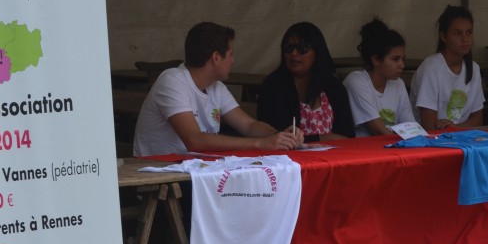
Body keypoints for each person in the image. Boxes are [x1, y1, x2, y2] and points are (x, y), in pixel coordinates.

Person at [133, 22, 302, 157]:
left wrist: (280, 136)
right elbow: (194, 141)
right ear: (216, 57)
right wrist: (260, 143)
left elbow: (249, 126)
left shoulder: (216, 86)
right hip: (161, 173)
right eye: (231, 54)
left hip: (195, 170)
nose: (233, 61)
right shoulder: (172, 81)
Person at [258, 22, 355, 142]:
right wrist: (324, 138)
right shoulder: (273, 86)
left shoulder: (333, 86)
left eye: (302, 48)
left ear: (317, 52)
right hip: (289, 153)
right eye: (288, 48)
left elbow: (347, 135)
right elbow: (279, 136)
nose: (293, 53)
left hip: (336, 152)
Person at [411, 5, 485, 131]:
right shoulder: (431, 69)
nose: (465, 39)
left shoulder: (474, 69)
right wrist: (454, 129)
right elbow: (429, 127)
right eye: (457, 33)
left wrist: (455, 128)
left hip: (462, 137)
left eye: (469, 32)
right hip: (432, 140)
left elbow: (478, 119)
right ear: (444, 37)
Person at [344, 18, 416, 137]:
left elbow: (411, 127)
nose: (402, 65)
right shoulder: (356, 81)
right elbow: (378, 131)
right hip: (367, 148)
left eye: (403, 59)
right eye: (395, 59)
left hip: (395, 145)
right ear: (376, 59)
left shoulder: (398, 83)